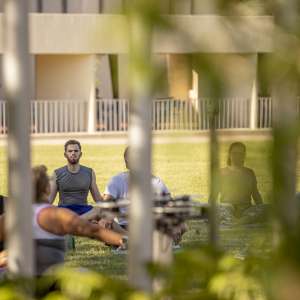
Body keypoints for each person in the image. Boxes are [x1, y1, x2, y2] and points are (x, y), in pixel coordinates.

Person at [31, 165, 126, 275]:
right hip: (49, 279)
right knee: (86, 274)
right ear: (46, 188)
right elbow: (94, 231)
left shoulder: (14, 216)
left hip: (21, 280)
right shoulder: (55, 215)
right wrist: (125, 241)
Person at [104, 147, 186, 244]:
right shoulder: (116, 181)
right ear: (126, 162)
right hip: (125, 226)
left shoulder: (155, 181)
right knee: (107, 223)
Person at [49, 139, 103, 219]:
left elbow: (98, 200)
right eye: (70, 151)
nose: (73, 153)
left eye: (76, 151)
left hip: (84, 210)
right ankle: (79, 221)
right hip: (64, 211)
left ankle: (76, 221)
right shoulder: (57, 173)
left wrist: (109, 203)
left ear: (80, 154)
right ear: (65, 154)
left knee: (101, 211)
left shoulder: (89, 172)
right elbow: (49, 200)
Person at [216, 142, 267, 224]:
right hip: (227, 208)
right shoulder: (221, 172)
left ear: (244, 156)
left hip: (246, 209)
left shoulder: (249, 173)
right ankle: (237, 221)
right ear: (229, 154)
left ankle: (237, 222)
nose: (237, 156)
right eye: (234, 153)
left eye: (240, 154)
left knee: (267, 208)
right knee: (219, 209)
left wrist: (261, 208)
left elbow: (256, 194)